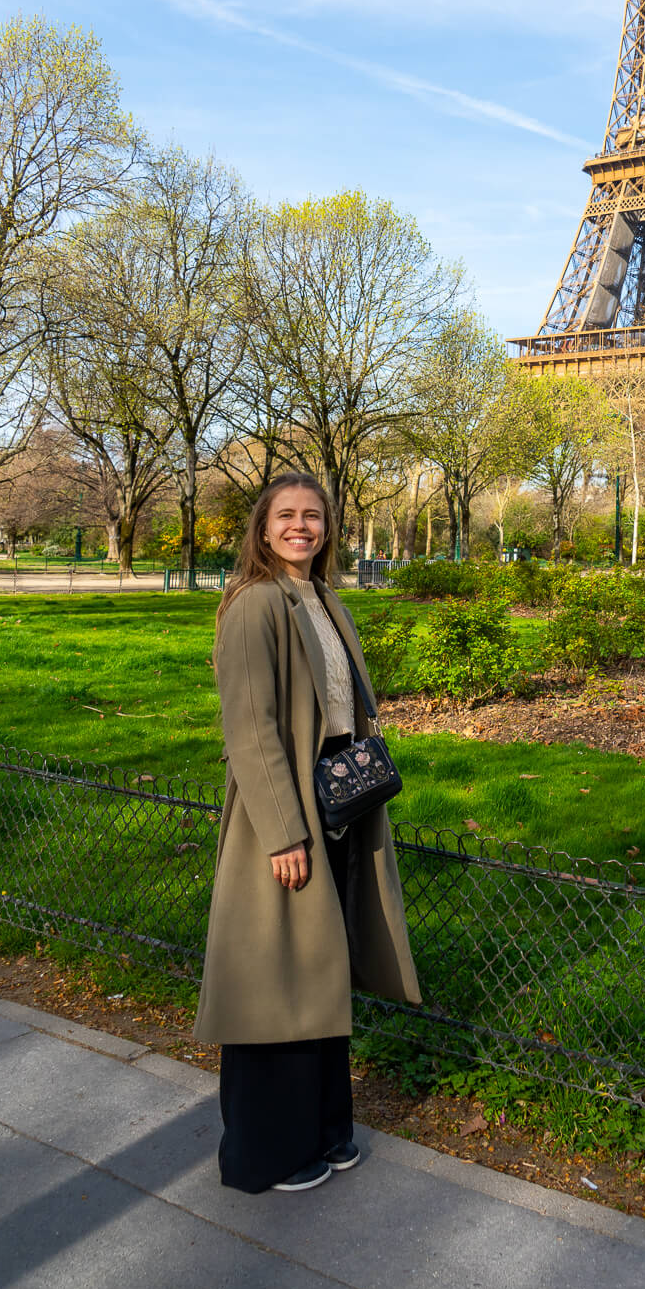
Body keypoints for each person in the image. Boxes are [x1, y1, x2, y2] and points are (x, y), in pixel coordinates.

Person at [193, 470, 420, 1194]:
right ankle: (266, 1153)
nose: (301, 526)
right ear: (263, 529)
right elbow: (251, 729)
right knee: (274, 977)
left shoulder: (324, 598)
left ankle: (325, 1127)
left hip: (336, 803)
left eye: (313, 516)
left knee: (319, 966)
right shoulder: (255, 604)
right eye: (286, 516)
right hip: (284, 808)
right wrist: (283, 834)